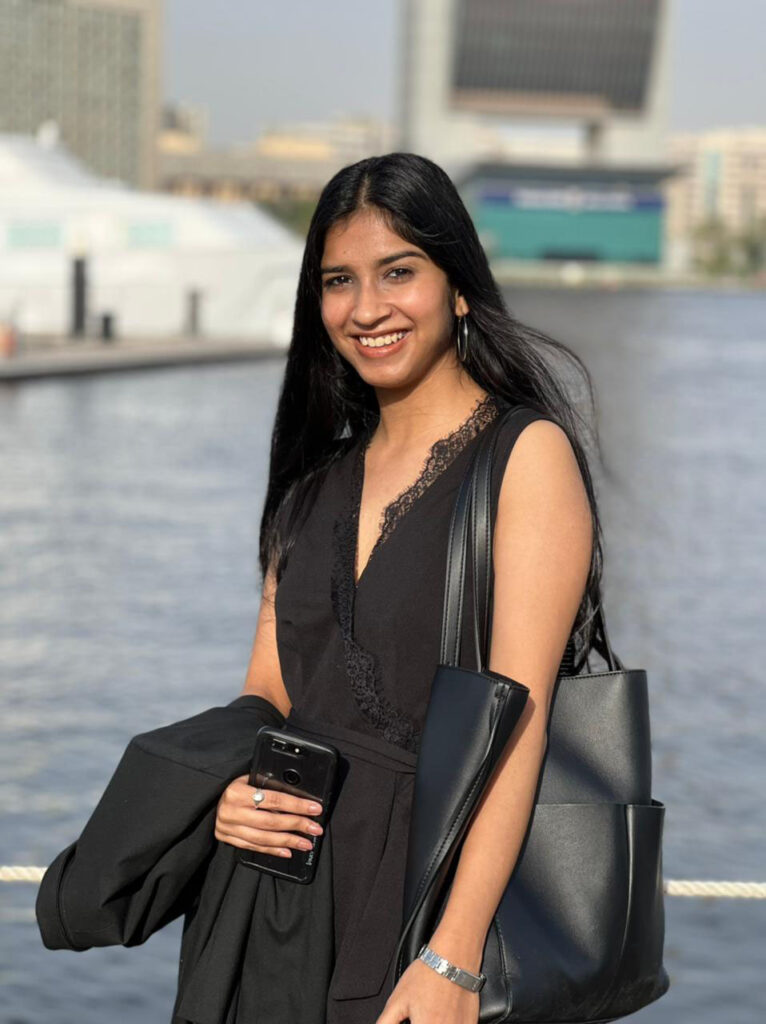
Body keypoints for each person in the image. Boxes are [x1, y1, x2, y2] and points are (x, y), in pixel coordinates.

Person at [212, 152, 600, 1024]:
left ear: (459, 286)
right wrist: (231, 792)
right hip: (277, 903)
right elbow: (267, 691)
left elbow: (520, 717)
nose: (367, 308)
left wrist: (453, 959)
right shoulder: (311, 483)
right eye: (339, 281)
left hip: (425, 904)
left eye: (399, 272)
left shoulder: (523, 458)